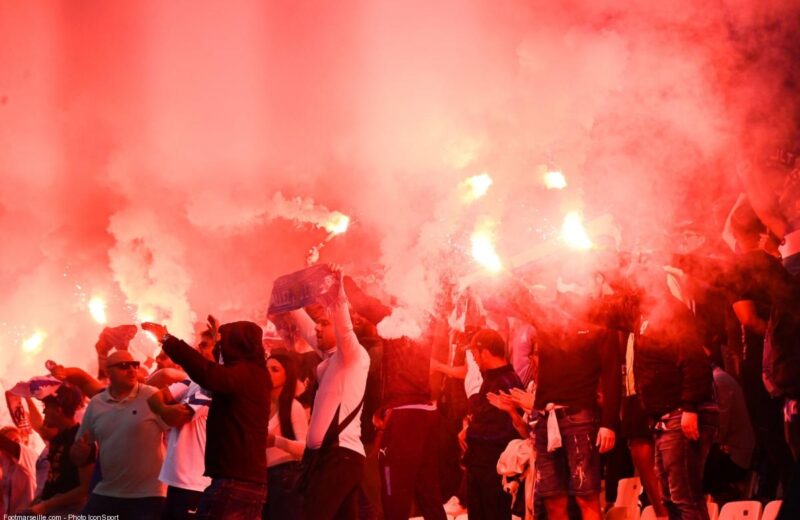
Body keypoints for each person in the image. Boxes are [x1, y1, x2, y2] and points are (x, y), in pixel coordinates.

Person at [145, 317, 271, 520]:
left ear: (236, 346)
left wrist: (167, 339)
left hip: (233, 483)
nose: (219, 348)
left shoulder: (244, 375)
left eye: (224, 343)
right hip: (238, 481)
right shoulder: (250, 375)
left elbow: (206, 372)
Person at [634, 285, 718, 520]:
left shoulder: (671, 310)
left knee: (685, 497)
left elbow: (693, 358)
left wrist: (690, 408)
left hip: (679, 414)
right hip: (666, 418)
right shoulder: (645, 314)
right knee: (670, 498)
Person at [302, 267, 370, 520]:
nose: (317, 328)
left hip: (340, 459)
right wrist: (289, 299)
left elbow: (344, 329)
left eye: (324, 323)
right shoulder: (331, 359)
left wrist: (336, 291)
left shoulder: (352, 356)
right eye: (317, 322)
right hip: (331, 460)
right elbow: (305, 328)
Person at [70, 349, 169, 520]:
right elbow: (77, 455)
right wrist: (79, 452)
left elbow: (175, 428)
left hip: (147, 495)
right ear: (108, 372)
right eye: (123, 366)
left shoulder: (151, 394)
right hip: (107, 492)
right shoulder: (96, 403)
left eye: (134, 365)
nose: (131, 370)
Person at [147, 328, 216, 520]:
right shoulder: (193, 380)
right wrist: (164, 409)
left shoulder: (211, 387)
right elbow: (155, 395)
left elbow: (176, 417)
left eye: (204, 345)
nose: (198, 348)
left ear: (217, 349)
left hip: (196, 483)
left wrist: (162, 409)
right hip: (178, 480)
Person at [460, 328, 524, 520]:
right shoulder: (491, 377)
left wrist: (470, 431)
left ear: (485, 352)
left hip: (493, 468)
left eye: (474, 354)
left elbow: (504, 431)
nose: (475, 360)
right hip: (479, 464)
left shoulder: (507, 382)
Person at [24, 385, 91, 516]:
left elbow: (84, 489)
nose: (43, 413)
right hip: (48, 507)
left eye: (46, 408)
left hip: (68, 512)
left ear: (58, 410)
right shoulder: (59, 437)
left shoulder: (80, 439)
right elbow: (39, 426)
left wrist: (45, 506)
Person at [263, 350, 308, 520]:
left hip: (285, 479)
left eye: (275, 369)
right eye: (265, 368)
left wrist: (276, 441)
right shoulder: (259, 406)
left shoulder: (293, 407)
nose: (268, 373)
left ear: (287, 375)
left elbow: (305, 449)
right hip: (261, 478)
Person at [0, 426, 39, 514]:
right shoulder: (6, 460)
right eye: (9, 440)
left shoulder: (29, 455)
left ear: (23, 440)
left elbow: (6, 444)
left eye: (16, 440)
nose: (13, 443)